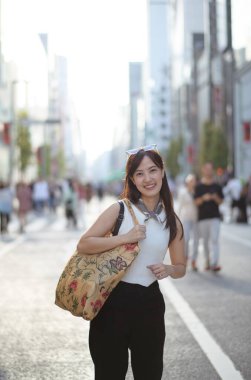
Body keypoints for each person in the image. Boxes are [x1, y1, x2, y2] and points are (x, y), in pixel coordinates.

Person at [77, 145, 186, 380]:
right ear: (132, 180)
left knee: (149, 374)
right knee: (109, 374)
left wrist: (169, 269)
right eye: (139, 173)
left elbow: (181, 267)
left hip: (150, 306)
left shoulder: (172, 220)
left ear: (162, 172)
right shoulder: (119, 210)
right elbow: (84, 244)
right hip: (111, 304)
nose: (148, 178)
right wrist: (125, 238)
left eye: (152, 170)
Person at [194, 162, 224, 271]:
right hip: (202, 218)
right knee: (205, 242)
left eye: (210, 169)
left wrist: (215, 198)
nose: (208, 171)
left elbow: (221, 202)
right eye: (206, 169)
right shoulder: (198, 186)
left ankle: (214, 263)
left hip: (215, 217)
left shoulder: (217, 186)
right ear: (203, 170)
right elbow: (196, 202)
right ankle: (207, 261)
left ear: (212, 170)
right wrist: (203, 198)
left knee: (214, 240)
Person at [177, 174, 199, 270]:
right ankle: (185, 258)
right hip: (185, 218)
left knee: (196, 240)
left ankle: (194, 260)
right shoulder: (183, 193)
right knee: (186, 239)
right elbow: (180, 207)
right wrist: (177, 220)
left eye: (193, 181)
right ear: (187, 183)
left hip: (196, 218)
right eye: (190, 181)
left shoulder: (198, 192)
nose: (192, 183)